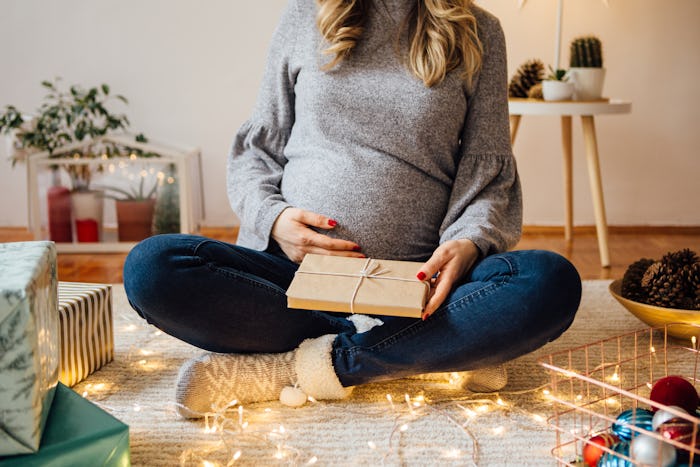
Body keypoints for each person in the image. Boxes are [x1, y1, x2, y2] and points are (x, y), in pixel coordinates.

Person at [124, 0, 581, 418]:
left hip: (420, 294)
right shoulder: (306, 14)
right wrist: (276, 221)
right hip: (292, 283)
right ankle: (427, 354)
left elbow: (488, 170)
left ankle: (298, 367)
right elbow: (258, 149)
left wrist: (468, 243)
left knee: (548, 282)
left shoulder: (479, 30)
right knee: (153, 267)